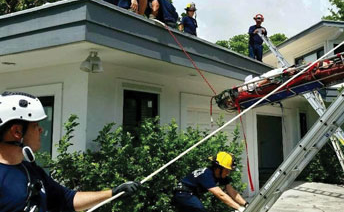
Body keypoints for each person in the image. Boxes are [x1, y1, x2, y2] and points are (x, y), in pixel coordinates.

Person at [0, 91, 139, 212]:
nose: (41, 130)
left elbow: (68, 199)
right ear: (17, 131)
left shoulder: (31, 171)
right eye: (35, 125)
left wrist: (113, 192)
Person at [172, 151, 248, 212]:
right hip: (183, 194)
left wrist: (246, 204)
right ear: (219, 168)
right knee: (199, 209)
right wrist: (238, 208)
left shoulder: (221, 175)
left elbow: (232, 192)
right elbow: (220, 194)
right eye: (227, 170)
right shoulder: (206, 174)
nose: (228, 173)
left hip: (191, 194)